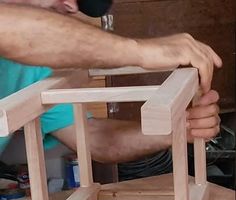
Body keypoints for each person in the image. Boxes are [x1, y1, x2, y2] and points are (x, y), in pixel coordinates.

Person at [0, 0, 221, 173]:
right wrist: (140, 51)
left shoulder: (33, 69)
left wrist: (178, 128)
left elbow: (94, 138)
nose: (71, 6)